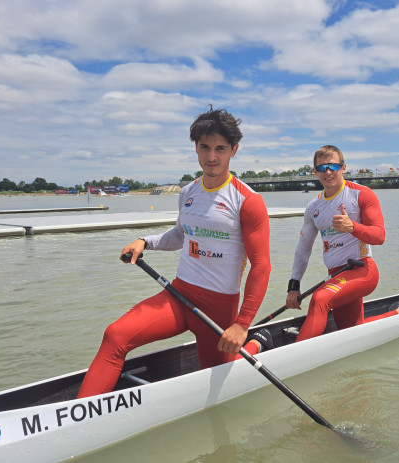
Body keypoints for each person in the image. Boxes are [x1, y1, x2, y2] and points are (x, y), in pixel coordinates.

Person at [77, 107, 271, 398]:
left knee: (217, 382)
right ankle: (80, 417)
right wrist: (145, 241)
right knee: (115, 335)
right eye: (204, 147)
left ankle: (253, 343)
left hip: (218, 307)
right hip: (179, 296)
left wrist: (242, 325)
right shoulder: (188, 192)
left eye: (220, 148)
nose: (211, 157)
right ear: (195, 148)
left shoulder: (248, 201)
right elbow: (180, 235)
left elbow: (261, 267)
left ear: (234, 150)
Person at [284, 145, 387, 344]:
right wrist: (293, 287)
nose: (328, 172)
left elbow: (380, 236)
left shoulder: (361, 194)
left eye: (333, 166)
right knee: (352, 333)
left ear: (343, 167)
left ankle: (299, 353)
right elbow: (303, 249)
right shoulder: (313, 207)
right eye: (322, 168)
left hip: (362, 270)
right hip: (337, 277)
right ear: (315, 172)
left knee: (320, 299)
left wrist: (352, 227)